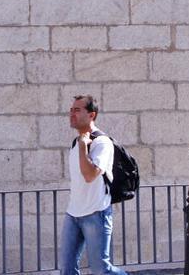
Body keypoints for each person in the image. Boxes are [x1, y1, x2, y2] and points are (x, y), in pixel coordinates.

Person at [60, 95, 128, 275]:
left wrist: (84, 145)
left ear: (92, 115)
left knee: (101, 270)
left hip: (96, 213)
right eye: (71, 110)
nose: (71, 114)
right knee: (66, 270)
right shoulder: (76, 143)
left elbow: (89, 175)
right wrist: (81, 143)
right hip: (73, 214)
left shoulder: (102, 143)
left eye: (77, 110)